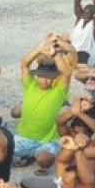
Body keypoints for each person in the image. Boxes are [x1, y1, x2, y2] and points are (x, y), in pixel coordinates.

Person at [15, 35, 76, 170]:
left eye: (49, 78)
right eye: (41, 77)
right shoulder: (29, 85)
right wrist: (40, 49)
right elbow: (24, 64)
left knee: (44, 160)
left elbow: (66, 74)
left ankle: (35, 160)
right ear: (36, 75)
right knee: (3, 148)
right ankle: (28, 155)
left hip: (47, 141)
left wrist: (55, 54)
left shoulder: (59, 91)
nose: (44, 80)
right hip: (23, 137)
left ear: (54, 78)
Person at [70, 0, 95, 64]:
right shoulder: (79, 19)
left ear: (93, 15)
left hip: (85, 54)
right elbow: (76, 2)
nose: (85, 15)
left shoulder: (94, 23)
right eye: (84, 13)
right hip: (71, 51)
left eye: (88, 14)